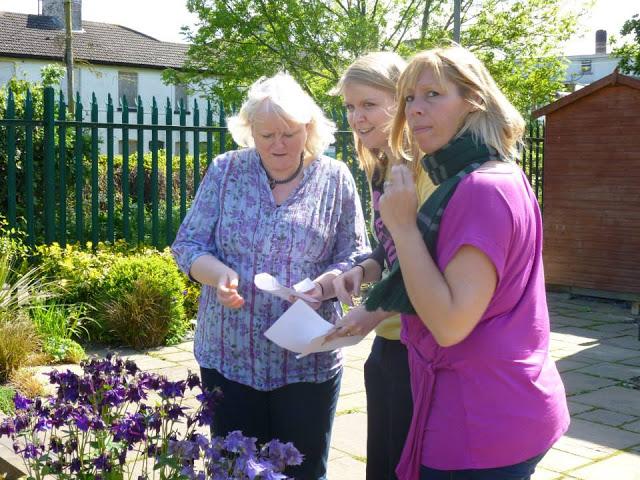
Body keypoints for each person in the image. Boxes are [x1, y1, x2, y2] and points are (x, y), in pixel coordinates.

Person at [332, 46, 570, 480]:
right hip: (498, 405)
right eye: (409, 98)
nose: (416, 111)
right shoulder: (493, 173)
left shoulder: (480, 187)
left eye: (433, 95)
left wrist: (402, 228)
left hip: (479, 419)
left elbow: (450, 323)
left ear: (474, 100)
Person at [171, 72, 370, 480]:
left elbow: (355, 253)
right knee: (234, 471)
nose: (277, 144)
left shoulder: (335, 178)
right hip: (229, 356)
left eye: (289, 133)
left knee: (303, 470)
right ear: (250, 134)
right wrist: (218, 275)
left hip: (306, 360)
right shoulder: (225, 171)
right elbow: (188, 244)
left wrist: (322, 285)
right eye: (266, 135)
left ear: (309, 129)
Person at [329, 51, 436, 480]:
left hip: (419, 345)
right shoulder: (381, 166)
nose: (356, 117)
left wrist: (367, 314)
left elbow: (427, 264)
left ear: (401, 101)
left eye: (368, 105)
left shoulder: (424, 170)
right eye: (350, 107)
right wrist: (365, 270)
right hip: (389, 343)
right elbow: (389, 246)